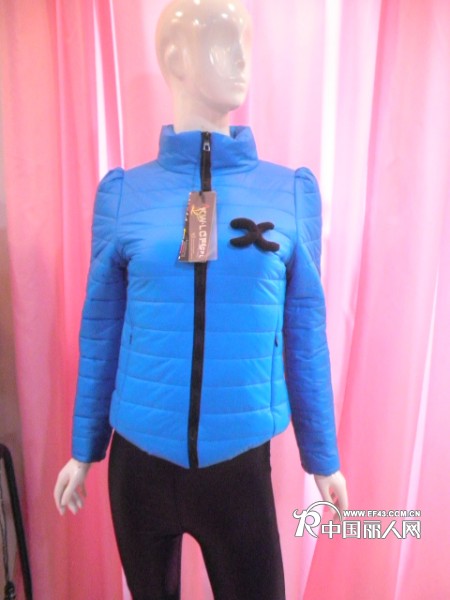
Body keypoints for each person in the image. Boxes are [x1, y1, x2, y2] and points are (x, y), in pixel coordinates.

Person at [54, 1, 348, 598]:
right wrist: (84, 451)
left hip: (237, 471)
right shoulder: (125, 194)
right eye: (221, 41)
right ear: (175, 58)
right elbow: (102, 328)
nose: (241, 58)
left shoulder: (289, 193)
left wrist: (323, 457)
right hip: (139, 465)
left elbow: (305, 334)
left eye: (244, 42)